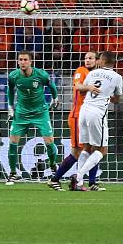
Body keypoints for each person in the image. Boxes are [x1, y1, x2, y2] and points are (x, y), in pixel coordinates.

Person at [70, 51, 123, 191]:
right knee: (102, 150)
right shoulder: (117, 77)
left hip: (84, 111)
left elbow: (81, 91)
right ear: (113, 63)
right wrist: (107, 95)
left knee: (86, 147)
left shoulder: (92, 74)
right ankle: (78, 177)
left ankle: (79, 185)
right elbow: (117, 100)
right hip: (97, 114)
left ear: (102, 61)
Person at [47, 52, 100, 191]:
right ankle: (55, 179)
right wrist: (89, 88)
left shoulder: (98, 75)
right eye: (86, 58)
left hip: (91, 116)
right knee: (77, 152)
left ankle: (92, 183)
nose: (87, 60)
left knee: (93, 148)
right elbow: (78, 86)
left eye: (91, 58)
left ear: (97, 61)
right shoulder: (80, 71)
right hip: (78, 116)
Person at [6, 51, 60, 185]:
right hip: (21, 113)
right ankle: (13, 173)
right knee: (12, 142)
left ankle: (53, 165)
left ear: (30, 62)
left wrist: (55, 98)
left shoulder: (40, 74)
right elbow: (10, 90)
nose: (22, 62)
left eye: (25, 60)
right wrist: (10, 107)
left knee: (49, 141)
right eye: (20, 60)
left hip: (40, 112)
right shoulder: (13, 76)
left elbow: (51, 85)